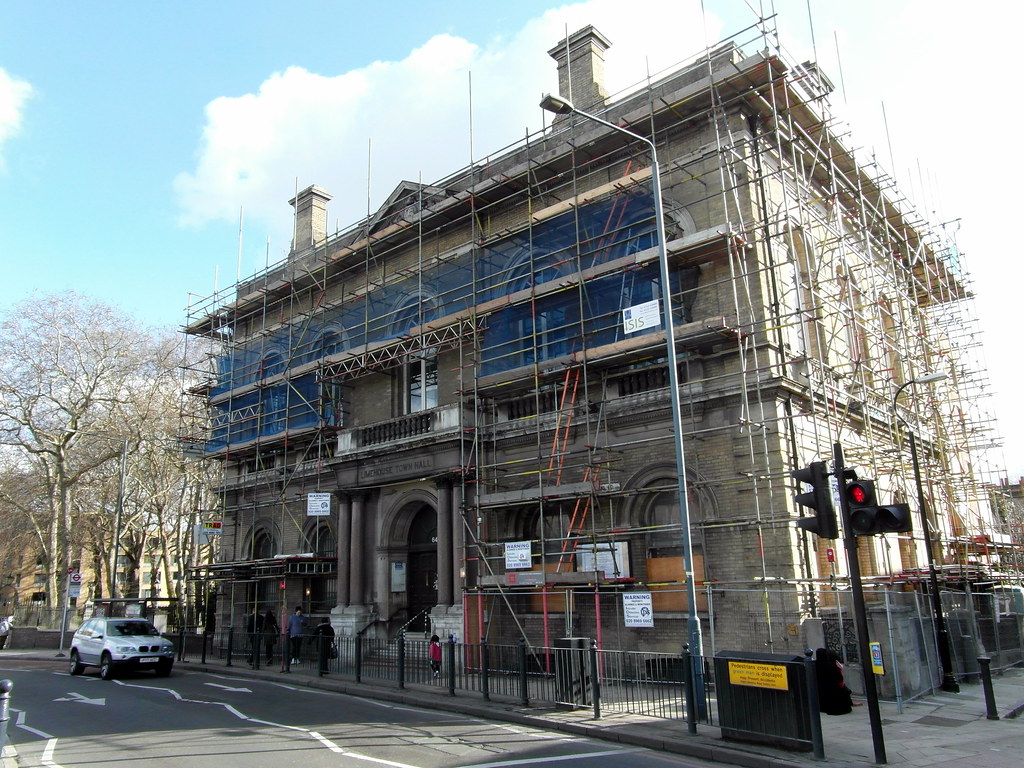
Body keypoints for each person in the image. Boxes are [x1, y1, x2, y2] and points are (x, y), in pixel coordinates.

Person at [815, 647, 856, 715]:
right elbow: (838, 676)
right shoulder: (830, 664)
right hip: (833, 686)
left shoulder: (815, 664)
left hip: (821, 686)